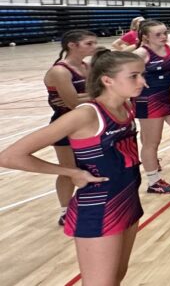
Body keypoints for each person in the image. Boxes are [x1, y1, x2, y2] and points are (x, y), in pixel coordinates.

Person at [2, 50, 145, 285]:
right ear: (107, 80)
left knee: (116, 277)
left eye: (142, 74)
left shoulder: (127, 107)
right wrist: (71, 172)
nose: (142, 81)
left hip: (128, 200)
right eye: (134, 76)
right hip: (98, 208)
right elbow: (9, 157)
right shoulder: (85, 115)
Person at [43, 30, 98, 226]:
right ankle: (65, 212)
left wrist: (89, 95)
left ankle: (88, 205)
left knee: (90, 167)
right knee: (69, 170)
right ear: (72, 45)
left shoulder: (86, 66)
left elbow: (96, 92)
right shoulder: (60, 71)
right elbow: (72, 103)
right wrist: (96, 95)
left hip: (87, 122)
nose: (94, 47)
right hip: (63, 125)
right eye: (89, 43)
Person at [132, 19, 170, 192]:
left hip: (169, 97)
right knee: (152, 142)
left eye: (165, 32)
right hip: (148, 100)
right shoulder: (140, 54)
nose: (163, 36)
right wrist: (137, 81)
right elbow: (123, 73)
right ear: (145, 37)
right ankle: (153, 182)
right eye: (158, 34)